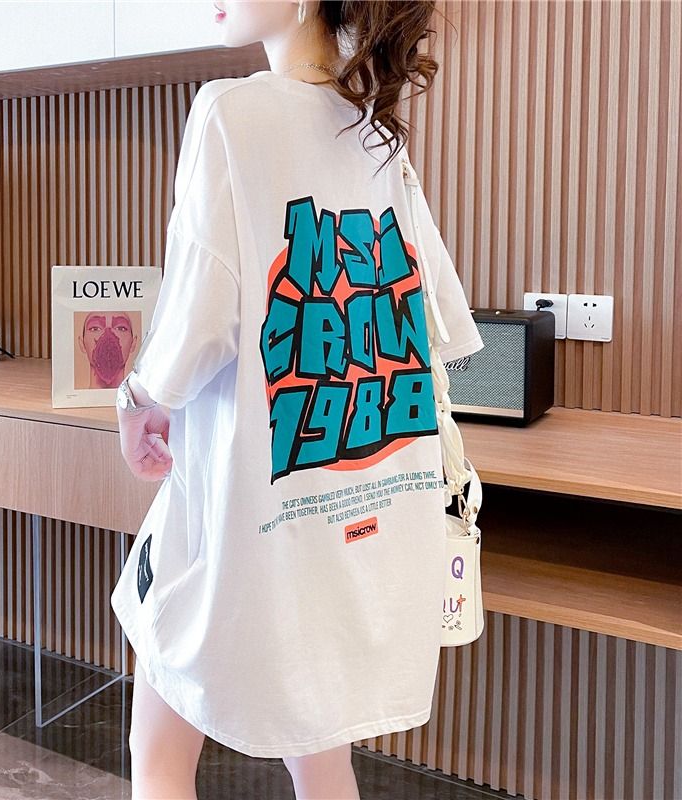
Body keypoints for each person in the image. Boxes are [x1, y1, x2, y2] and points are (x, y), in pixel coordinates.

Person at [111, 1, 484, 798]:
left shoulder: (230, 114)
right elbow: (433, 321)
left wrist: (138, 399)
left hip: (249, 514)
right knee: (320, 760)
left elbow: (193, 328)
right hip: (353, 524)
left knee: (158, 751)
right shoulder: (376, 134)